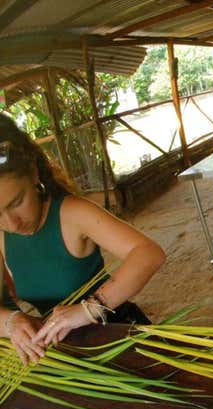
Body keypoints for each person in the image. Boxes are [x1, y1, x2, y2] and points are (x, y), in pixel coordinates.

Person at [0, 113, 166, 366]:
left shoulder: (72, 213)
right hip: (68, 353)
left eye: (17, 202)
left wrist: (90, 308)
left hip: (118, 338)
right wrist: (11, 322)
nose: (12, 223)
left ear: (33, 173)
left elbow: (148, 253)